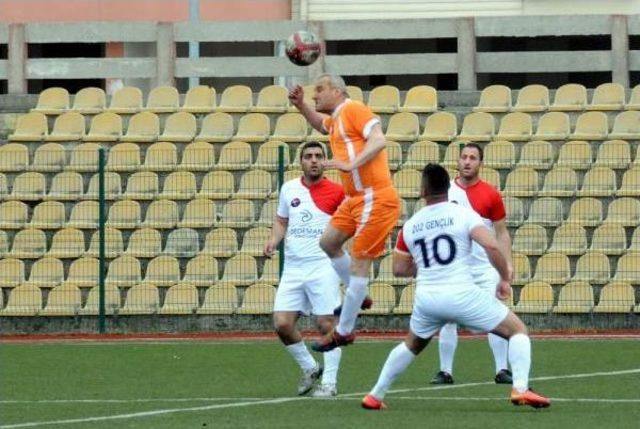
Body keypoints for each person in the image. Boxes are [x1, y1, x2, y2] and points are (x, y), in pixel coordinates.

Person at [361, 164, 550, 410]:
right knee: (517, 330)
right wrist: (504, 277)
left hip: (427, 299)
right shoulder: (463, 214)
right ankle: (521, 388)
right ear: (448, 188)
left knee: (411, 344)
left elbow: (399, 269)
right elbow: (491, 246)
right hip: (461, 294)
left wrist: (428, 265)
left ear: (422, 191)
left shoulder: (411, 225)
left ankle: (375, 395)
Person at [288, 74, 401, 352]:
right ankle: (357, 293)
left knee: (359, 261)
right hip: (355, 199)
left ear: (337, 91)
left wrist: (351, 164)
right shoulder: (336, 118)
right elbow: (319, 123)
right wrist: (302, 105)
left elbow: (378, 139)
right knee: (328, 242)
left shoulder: (353, 109)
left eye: (319, 90)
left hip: (376, 197)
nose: (315, 95)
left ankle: (345, 331)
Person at [265, 141, 346, 397]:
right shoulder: (289, 189)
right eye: (308, 156)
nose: (314, 160)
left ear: (325, 161)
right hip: (294, 268)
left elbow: (349, 223)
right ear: (301, 161)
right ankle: (310, 367)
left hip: (323, 266)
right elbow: (281, 221)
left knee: (326, 324)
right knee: (282, 323)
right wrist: (274, 240)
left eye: (318, 156)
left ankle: (330, 384)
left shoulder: (337, 192)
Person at [431, 142, 514, 385]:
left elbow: (501, 233)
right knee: (447, 317)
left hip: (484, 268)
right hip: (454, 268)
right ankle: (445, 371)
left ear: (481, 163)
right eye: (464, 157)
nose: (467, 161)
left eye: (473, 158)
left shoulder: (491, 194)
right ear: (458, 161)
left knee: (495, 315)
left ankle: (502, 369)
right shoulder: (445, 192)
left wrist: (506, 268)